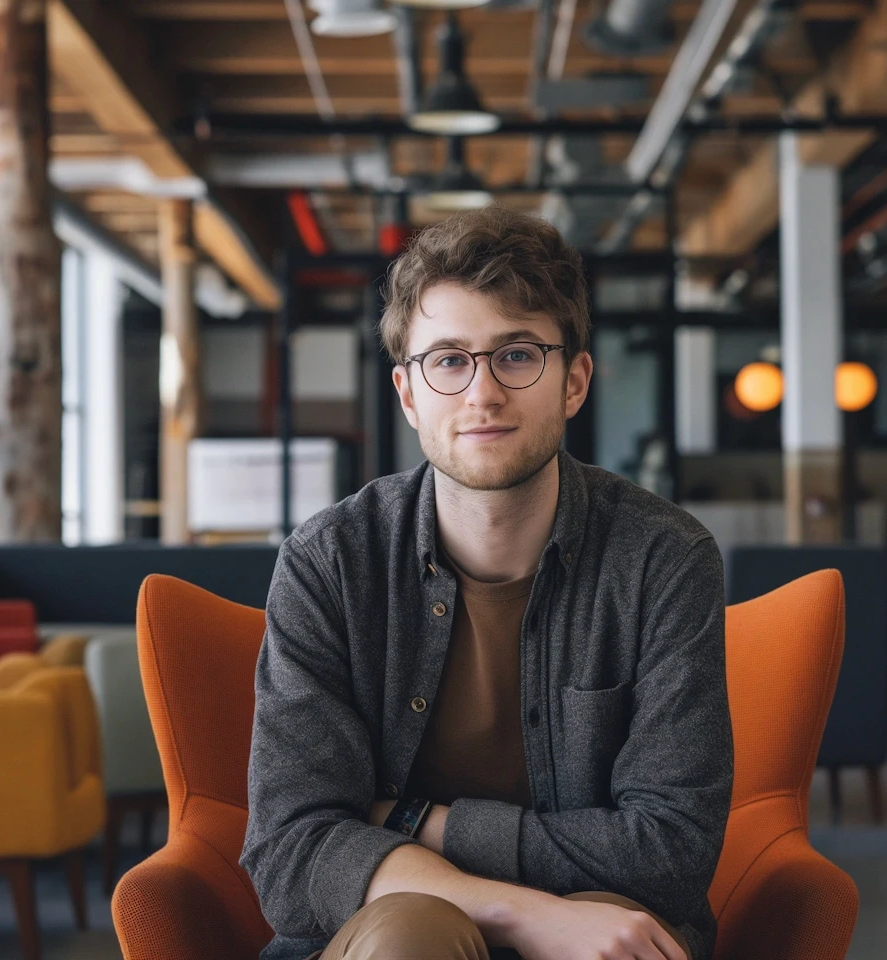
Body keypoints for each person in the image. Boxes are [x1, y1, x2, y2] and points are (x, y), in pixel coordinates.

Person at [241, 207, 733, 960]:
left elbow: (668, 851)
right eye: (448, 360)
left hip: (603, 925)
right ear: (409, 394)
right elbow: (291, 849)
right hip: (386, 930)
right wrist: (521, 912)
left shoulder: (663, 560)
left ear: (574, 381)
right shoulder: (329, 562)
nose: (482, 394)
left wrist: (413, 820)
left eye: (516, 356)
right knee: (414, 933)